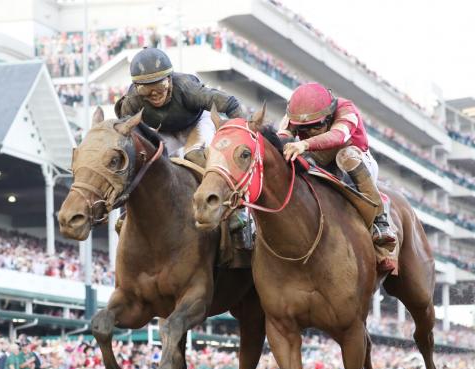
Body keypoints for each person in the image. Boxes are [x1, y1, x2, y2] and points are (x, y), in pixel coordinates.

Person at [114, 47, 251, 253]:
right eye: (145, 89)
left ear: (169, 79)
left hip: (197, 122)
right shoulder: (131, 102)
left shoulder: (187, 88)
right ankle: (127, 214)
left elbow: (230, 104)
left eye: (160, 85)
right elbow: (124, 137)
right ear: (136, 88)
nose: (154, 94)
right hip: (166, 131)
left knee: (193, 154)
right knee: (149, 164)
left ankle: (236, 213)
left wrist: (239, 135)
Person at [277, 82, 396, 250]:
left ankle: (380, 220)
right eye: (303, 128)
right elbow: (282, 139)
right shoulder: (293, 115)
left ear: (329, 114)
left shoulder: (347, 109)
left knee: (345, 156)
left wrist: (303, 144)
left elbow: (338, 136)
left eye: (316, 125)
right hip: (318, 158)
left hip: (355, 160)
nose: (309, 131)